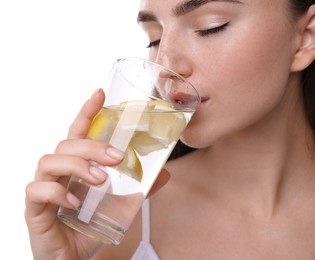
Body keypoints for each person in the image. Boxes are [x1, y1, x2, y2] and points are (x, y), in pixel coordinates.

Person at [25, 0, 315, 259]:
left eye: (210, 27)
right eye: (154, 38)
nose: (164, 66)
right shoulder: (117, 218)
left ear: (305, 38)